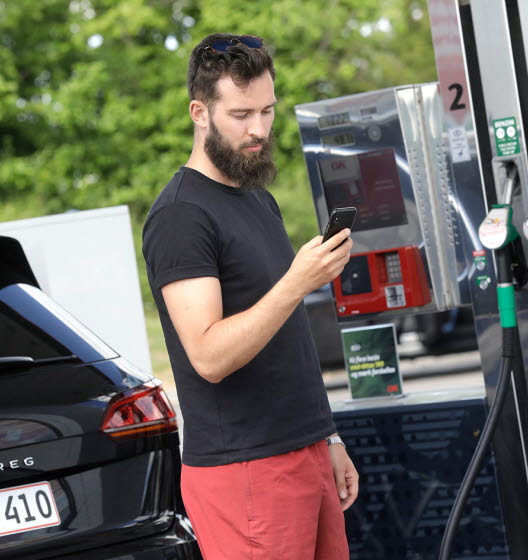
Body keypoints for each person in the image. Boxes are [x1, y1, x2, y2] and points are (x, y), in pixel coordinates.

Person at [142, 33, 359, 560]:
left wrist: (325, 437)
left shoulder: (257, 199)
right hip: (245, 472)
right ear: (200, 111)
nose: (259, 129)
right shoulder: (179, 217)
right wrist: (297, 281)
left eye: (267, 110)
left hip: (304, 452)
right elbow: (209, 356)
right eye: (241, 114)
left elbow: (288, 339)